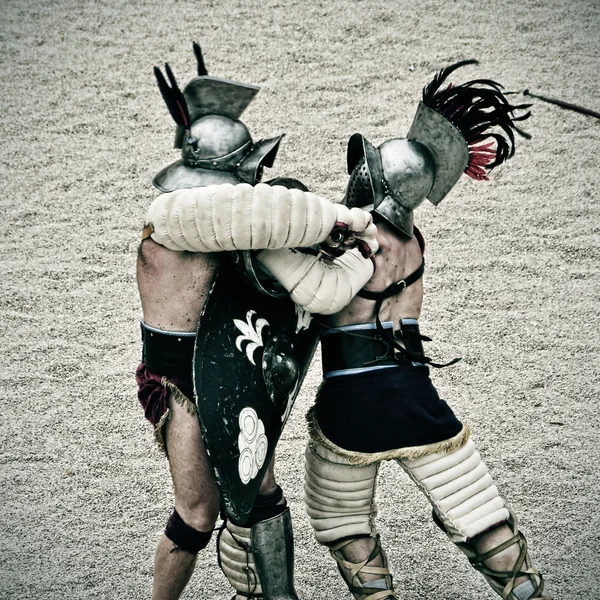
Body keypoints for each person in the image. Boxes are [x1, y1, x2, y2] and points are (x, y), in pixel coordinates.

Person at [136, 43, 378, 600]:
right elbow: (259, 212)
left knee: (259, 485)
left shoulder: (224, 226)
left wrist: (339, 247)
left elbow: (291, 264)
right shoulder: (172, 223)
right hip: (183, 384)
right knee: (197, 513)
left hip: (231, 369)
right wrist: (346, 219)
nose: (259, 178)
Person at [303, 60, 551, 600]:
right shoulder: (415, 243)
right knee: (479, 514)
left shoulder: (354, 238)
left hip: (351, 400)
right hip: (413, 391)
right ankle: (524, 588)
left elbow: (303, 289)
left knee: (345, 528)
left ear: (378, 181)